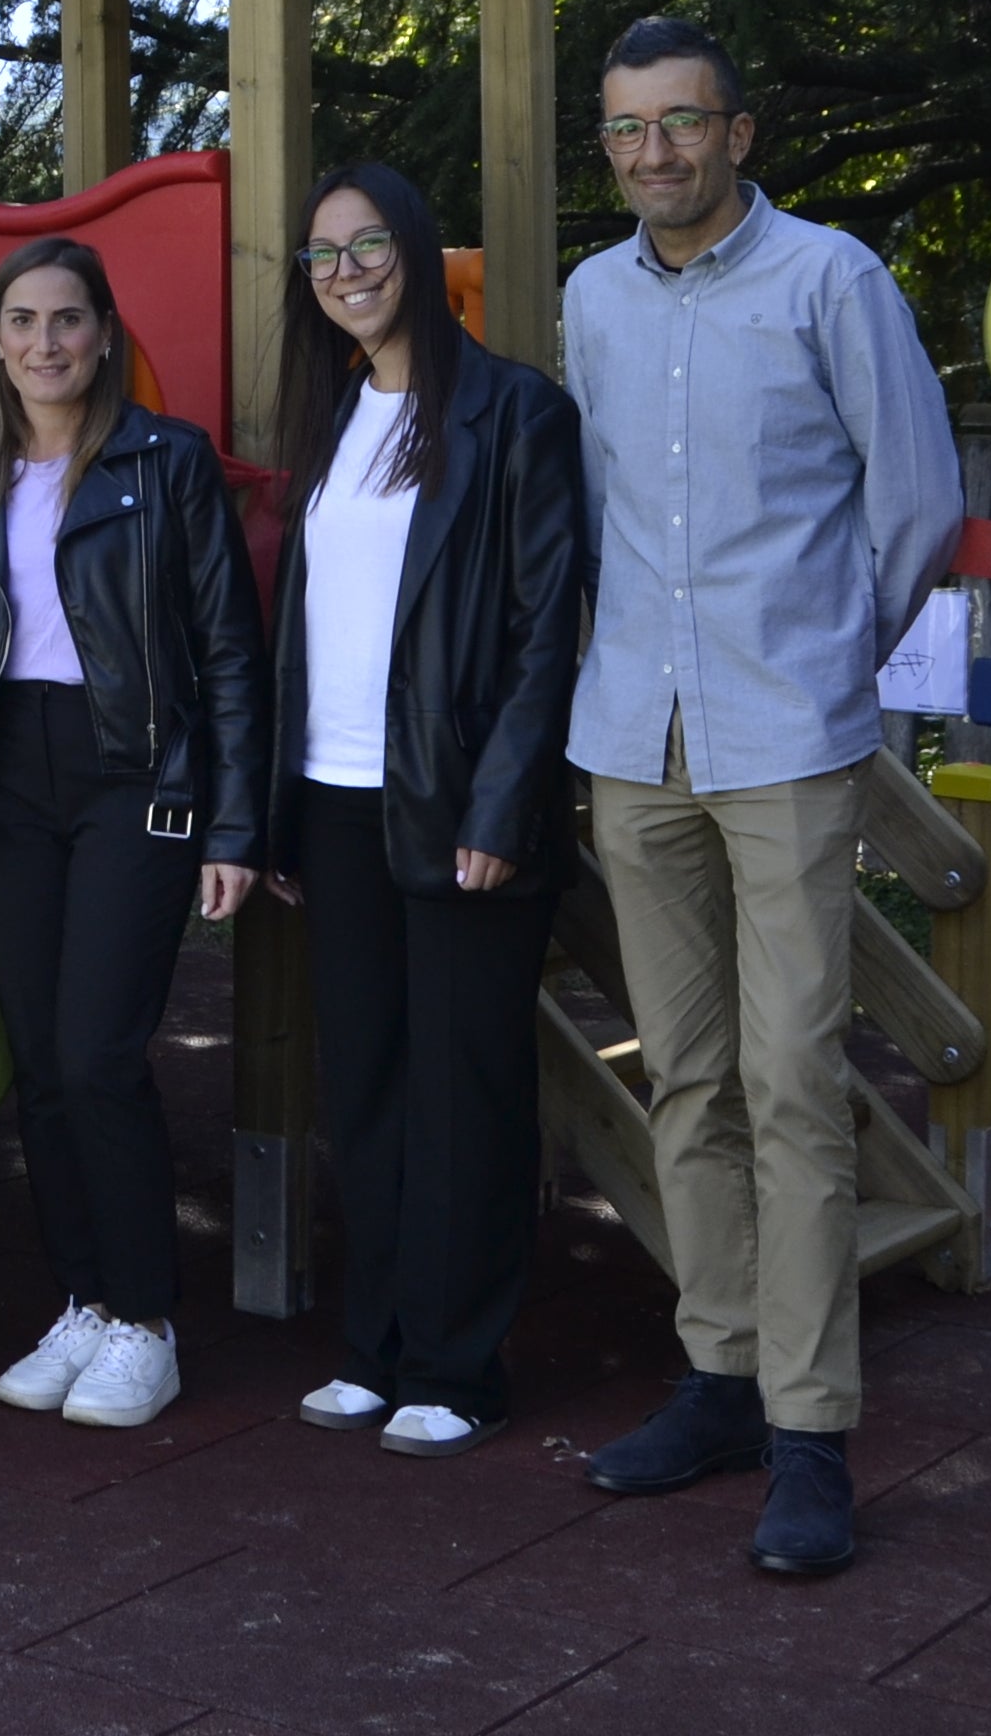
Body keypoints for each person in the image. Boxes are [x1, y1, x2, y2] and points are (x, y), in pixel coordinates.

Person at [564, 18, 958, 1578]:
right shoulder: (591, 300)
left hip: (786, 740)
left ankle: (812, 1434)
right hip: (630, 742)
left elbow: (918, 497)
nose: (654, 152)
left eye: (681, 123)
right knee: (687, 1079)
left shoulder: (831, 282)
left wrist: (828, 657)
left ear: (739, 133)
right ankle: (718, 1377)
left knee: (798, 1085)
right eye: (626, 130)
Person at [0, 237, 267, 1432]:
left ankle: (147, 1322)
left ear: (104, 335)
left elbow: (226, 649)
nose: (46, 343)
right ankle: (83, 1297)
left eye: (68, 321)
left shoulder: (164, 467)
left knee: (95, 1053)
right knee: (36, 1061)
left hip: (135, 781)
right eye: (22, 322)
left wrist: (230, 824)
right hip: (12, 790)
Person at [270, 163, 589, 1460]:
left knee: (468, 1090)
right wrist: (279, 812)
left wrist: (504, 804)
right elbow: (303, 630)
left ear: (415, 249)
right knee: (368, 1085)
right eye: (323, 256)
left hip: (461, 806)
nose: (347, 272)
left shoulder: (517, 414)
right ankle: (379, 1346)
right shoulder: (332, 417)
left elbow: (542, 628)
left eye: (368, 247)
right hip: (337, 804)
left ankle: (463, 1367)